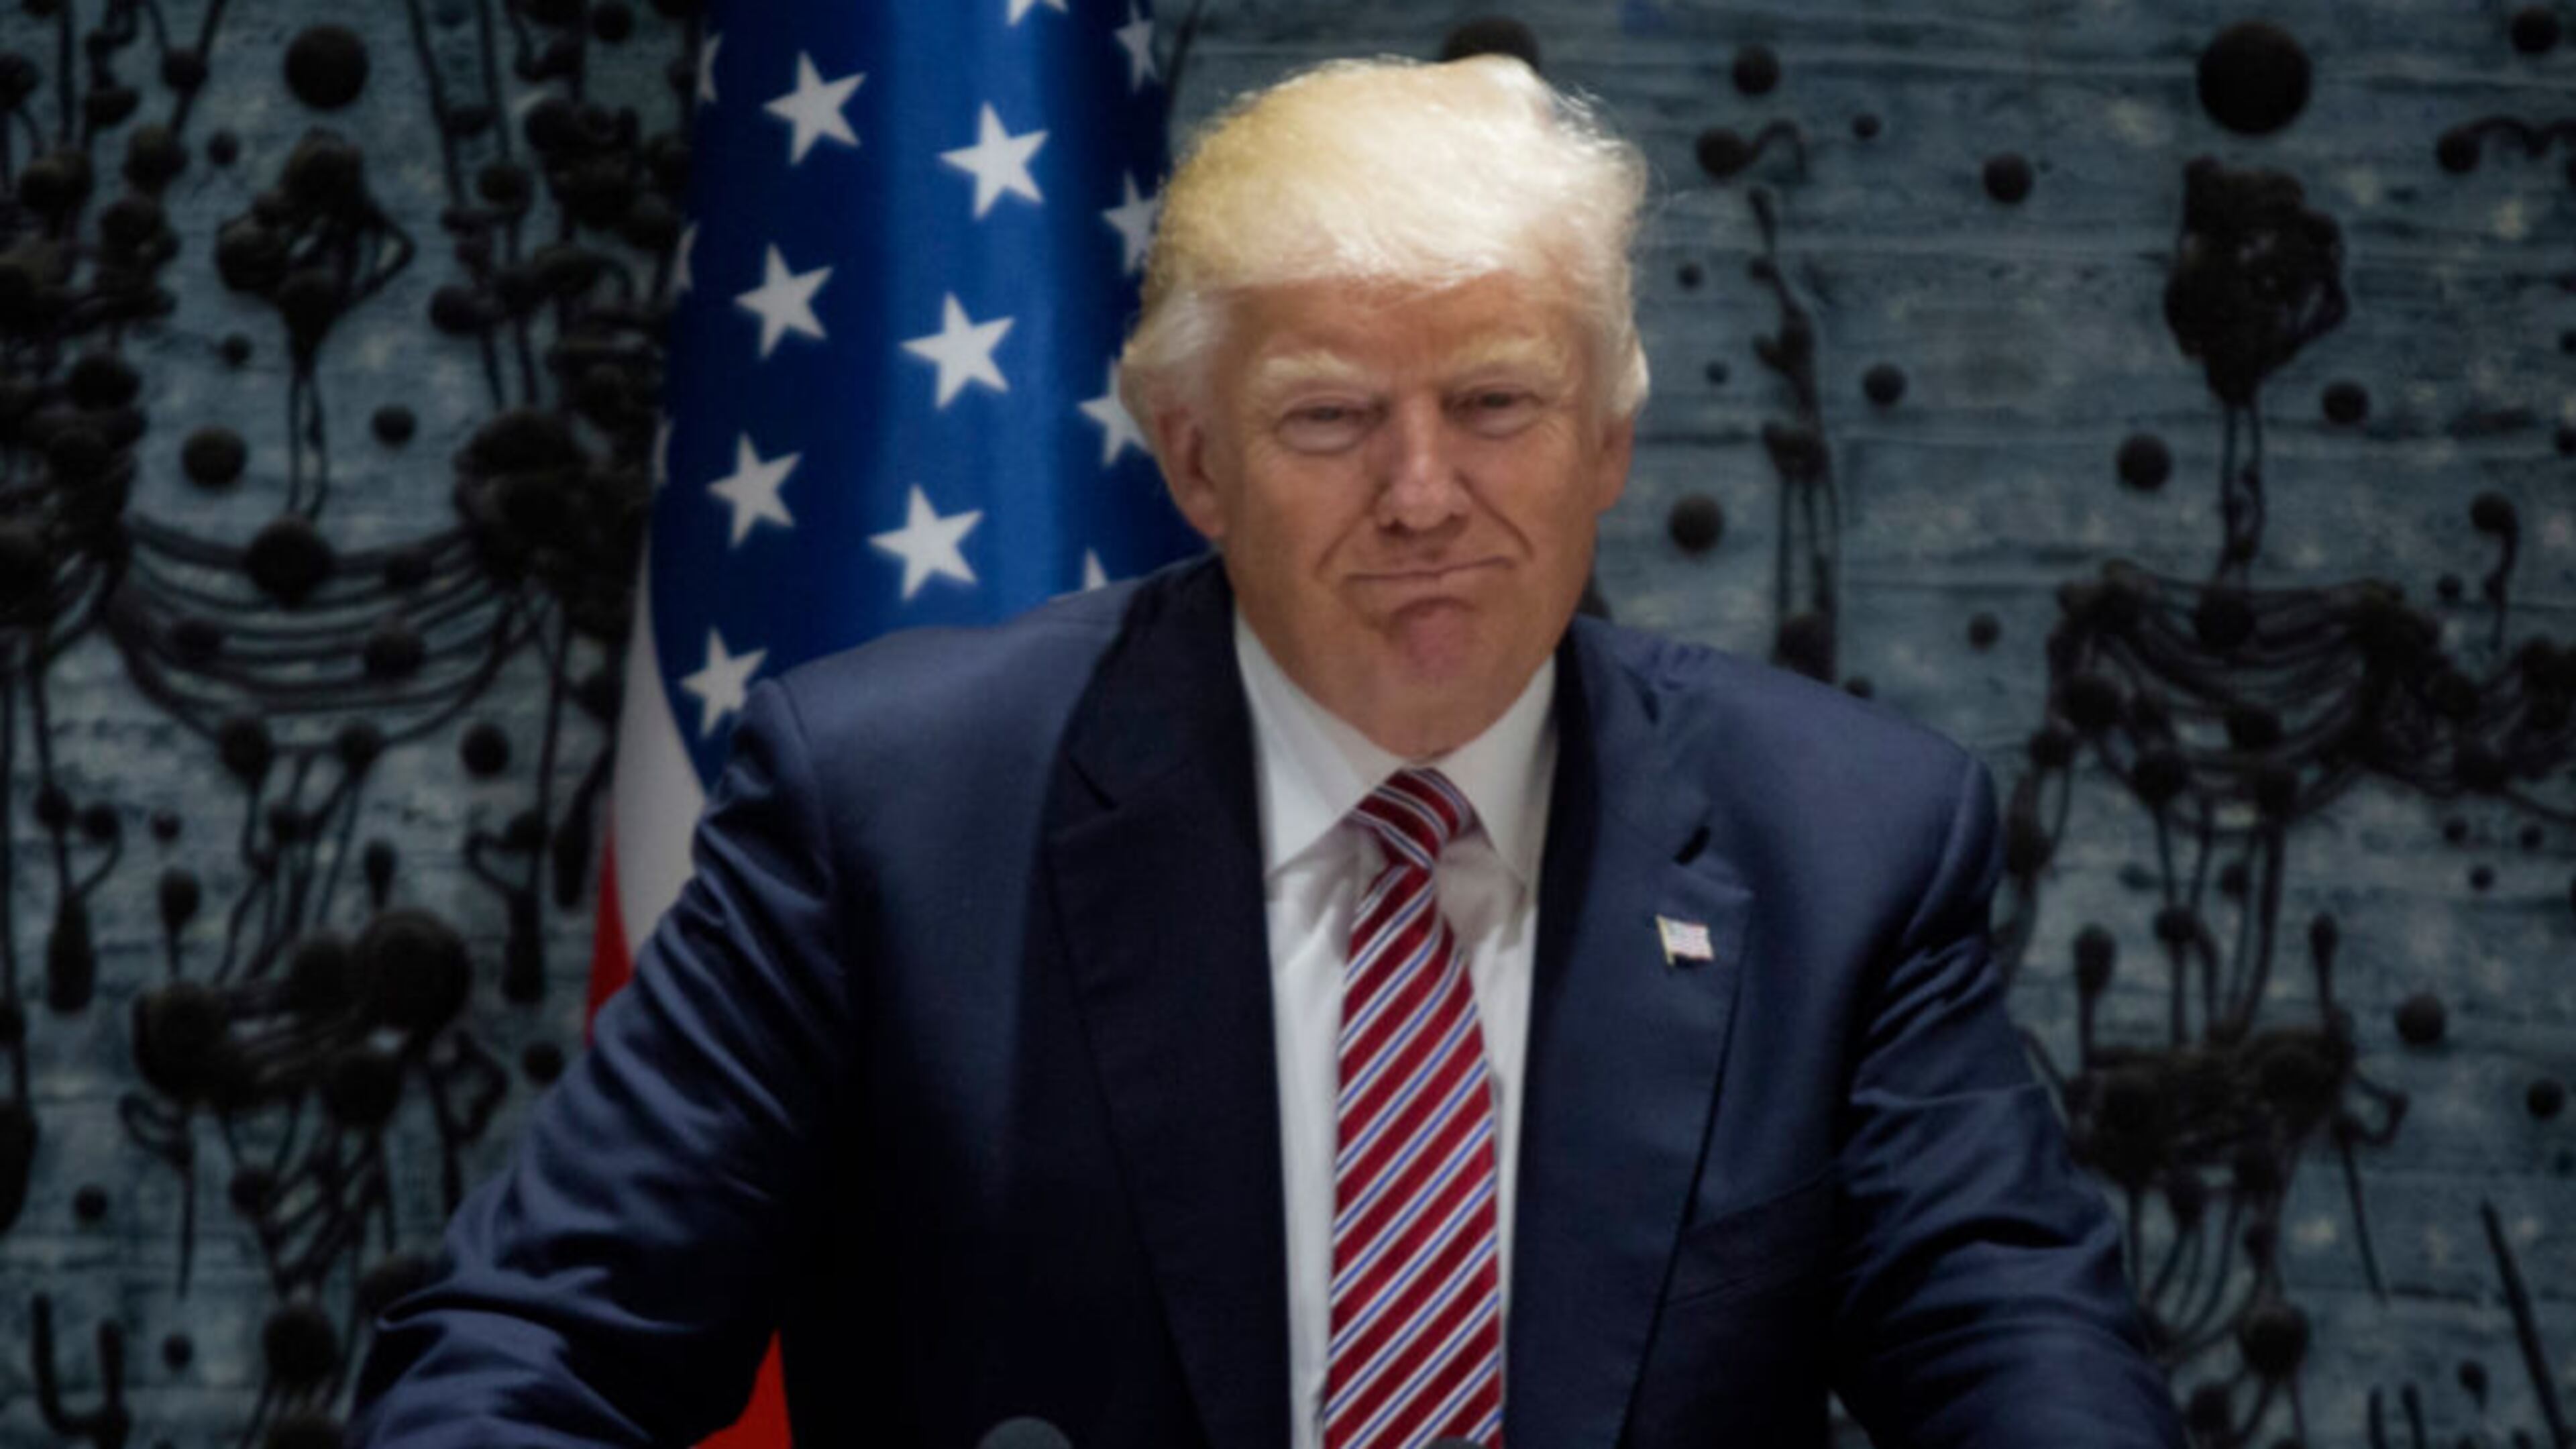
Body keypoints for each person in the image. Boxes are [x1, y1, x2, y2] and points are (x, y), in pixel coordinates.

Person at [350, 55, 2182, 1449]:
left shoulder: (1845, 844)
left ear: (1609, 439)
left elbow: (2018, 1355)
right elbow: (526, 1352)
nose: (1423, 495)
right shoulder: (893, 807)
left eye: (1495, 405)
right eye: (1329, 419)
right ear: (1195, 460)